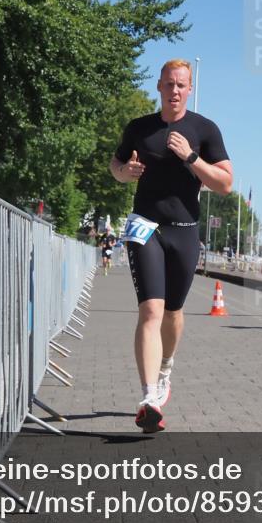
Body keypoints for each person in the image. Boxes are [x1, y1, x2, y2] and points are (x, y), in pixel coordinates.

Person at [110, 59, 232, 432]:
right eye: (169, 84)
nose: (175, 91)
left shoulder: (203, 129)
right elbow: (115, 166)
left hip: (184, 230)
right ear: (159, 87)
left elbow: (225, 183)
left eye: (181, 85)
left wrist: (191, 157)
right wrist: (123, 173)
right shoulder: (139, 128)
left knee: (173, 313)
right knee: (150, 310)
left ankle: (165, 369)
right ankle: (149, 397)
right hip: (145, 226)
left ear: (189, 89)